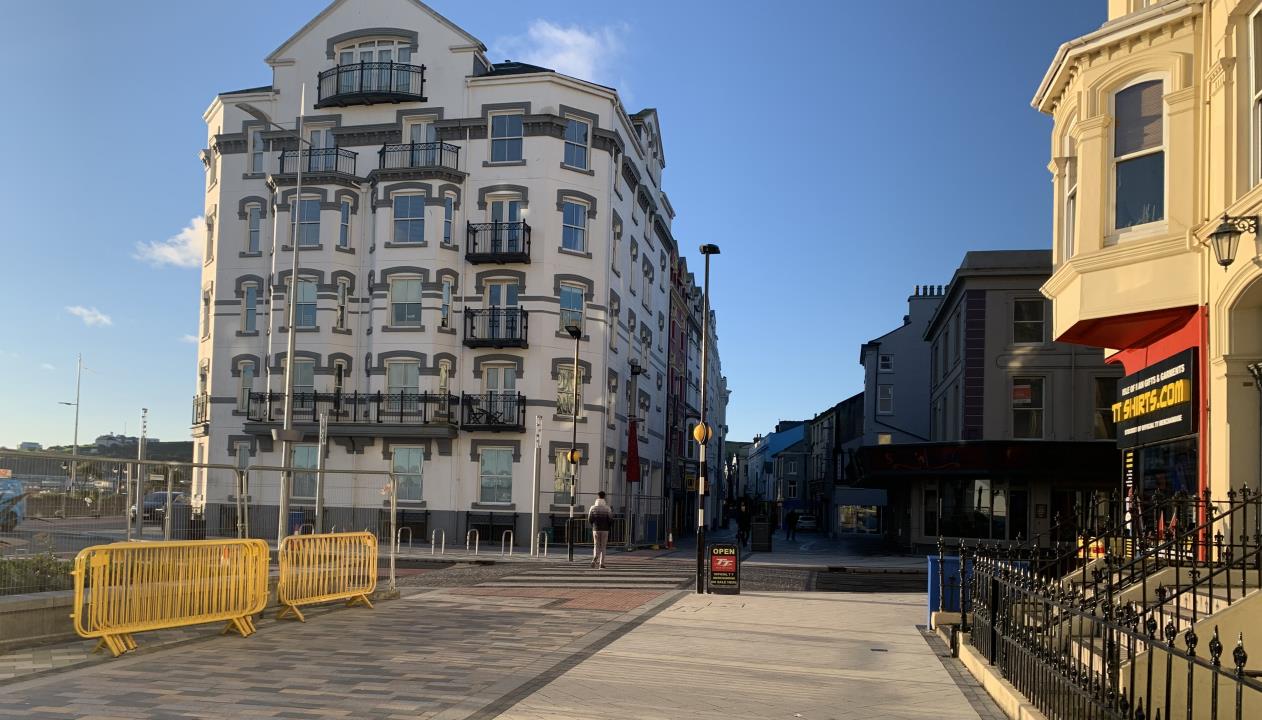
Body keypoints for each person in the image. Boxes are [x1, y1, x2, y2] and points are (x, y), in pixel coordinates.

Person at [588, 490, 613, 569]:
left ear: (598, 497)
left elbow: (590, 519)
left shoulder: (592, 508)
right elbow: (610, 519)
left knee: (596, 545)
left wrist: (593, 525)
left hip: (596, 529)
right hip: (605, 529)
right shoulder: (607, 508)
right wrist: (608, 527)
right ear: (604, 497)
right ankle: (602, 563)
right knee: (603, 546)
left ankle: (595, 558)